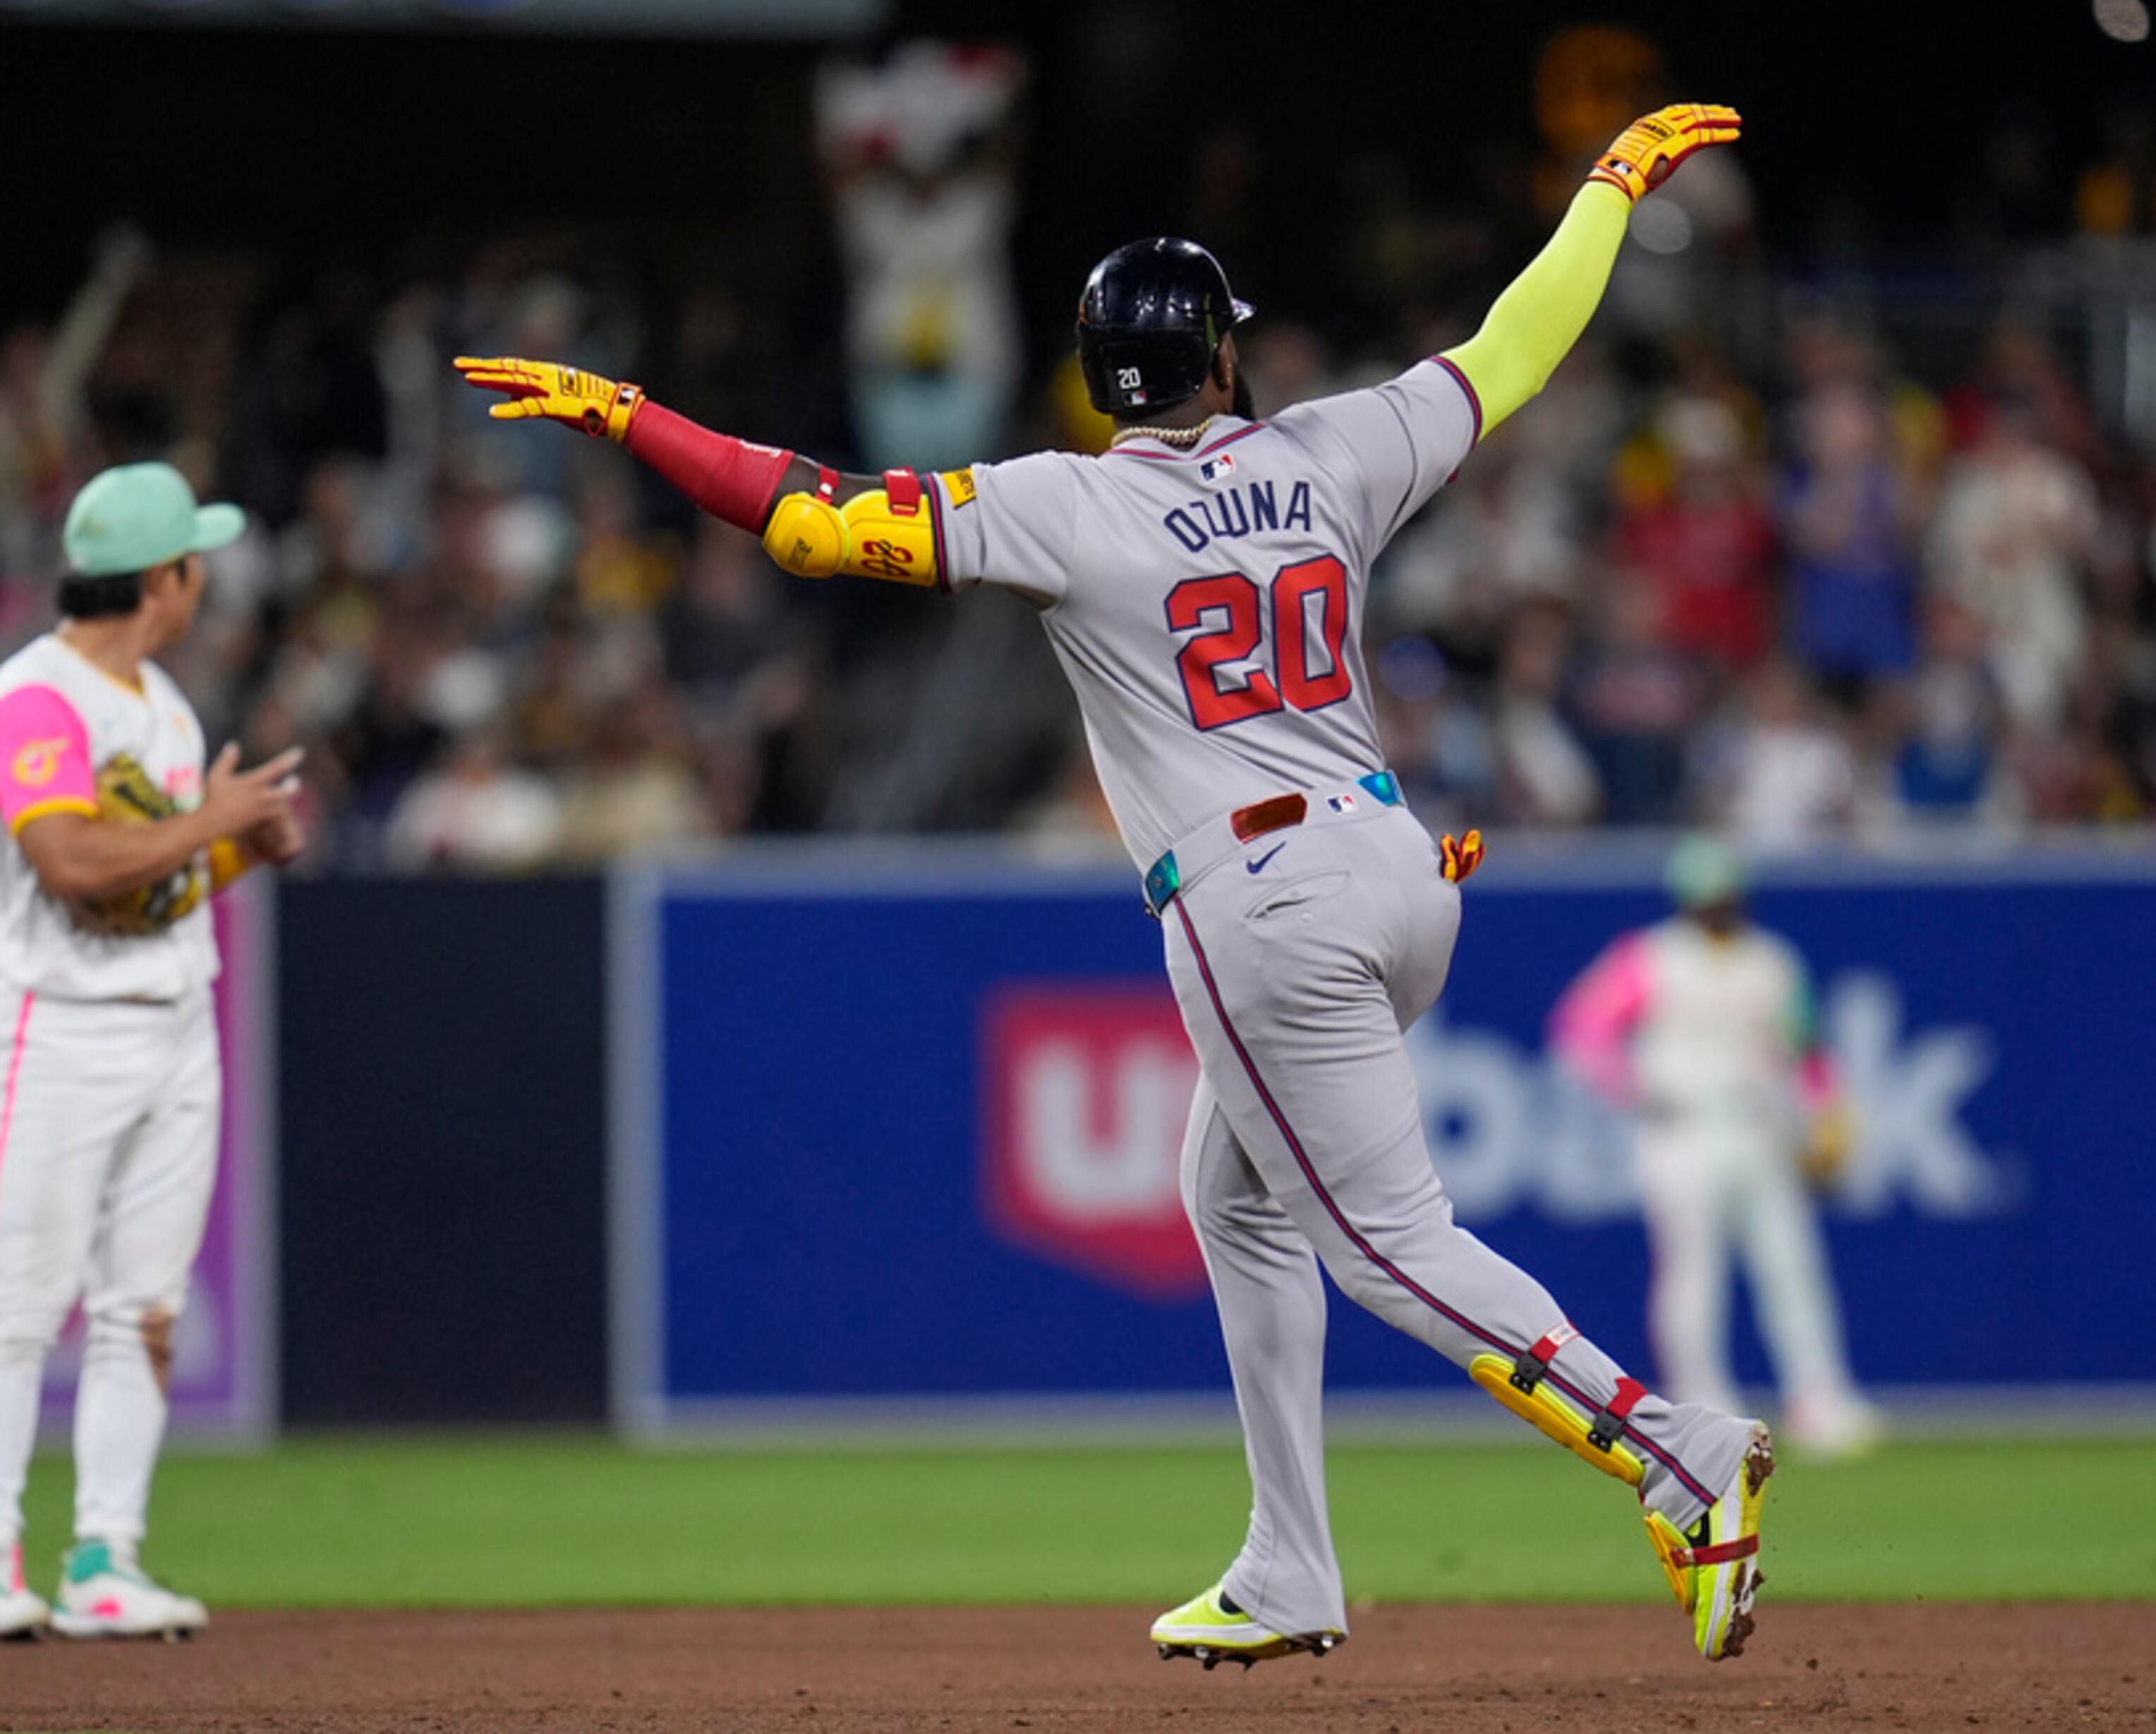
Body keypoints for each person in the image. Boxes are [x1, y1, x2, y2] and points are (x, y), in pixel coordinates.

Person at [459, 104, 1778, 1666]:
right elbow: (1521, 343)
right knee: (1232, 1194)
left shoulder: (1064, 504)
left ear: (1102, 383)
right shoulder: (1334, 448)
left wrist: (627, 413)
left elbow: (804, 514)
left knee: (1384, 1246)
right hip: (1395, 861)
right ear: (1223, 353)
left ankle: (1674, 1447)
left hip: (1260, 902)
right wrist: (1611, 189)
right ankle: (1290, 1563)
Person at [0, 463, 307, 1639]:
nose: (204, 580)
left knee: (148, 1310)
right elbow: (71, 866)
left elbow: (158, 885)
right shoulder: (38, 697)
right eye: (196, 560)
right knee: (19, 1308)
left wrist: (239, 851)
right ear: (161, 578)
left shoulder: (165, 707)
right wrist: (211, 824)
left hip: (175, 1023)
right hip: (59, 1025)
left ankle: (104, 1561)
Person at [1549, 837, 1882, 1460]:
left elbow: (1805, 1049)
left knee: (1790, 1265)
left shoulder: (1772, 961)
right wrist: (1635, 1088)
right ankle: (1704, 1410)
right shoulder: (1651, 957)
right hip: (1683, 1129)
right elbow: (1581, 1029)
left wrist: (1829, 1117)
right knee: (1692, 1272)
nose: (1717, 909)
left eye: (1725, 897)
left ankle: (1820, 1399)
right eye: (1707, 899)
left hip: (1760, 1128)